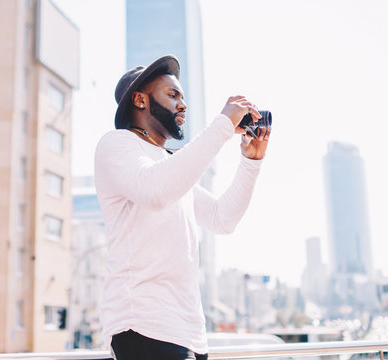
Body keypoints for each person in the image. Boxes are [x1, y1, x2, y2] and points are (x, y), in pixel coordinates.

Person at [94, 54, 272, 360]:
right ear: (140, 100)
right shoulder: (117, 144)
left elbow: (222, 219)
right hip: (144, 327)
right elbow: (155, 190)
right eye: (173, 95)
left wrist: (250, 162)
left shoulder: (170, 167)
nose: (183, 105)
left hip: (189, 333)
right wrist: (222, 125)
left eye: (183, 97)